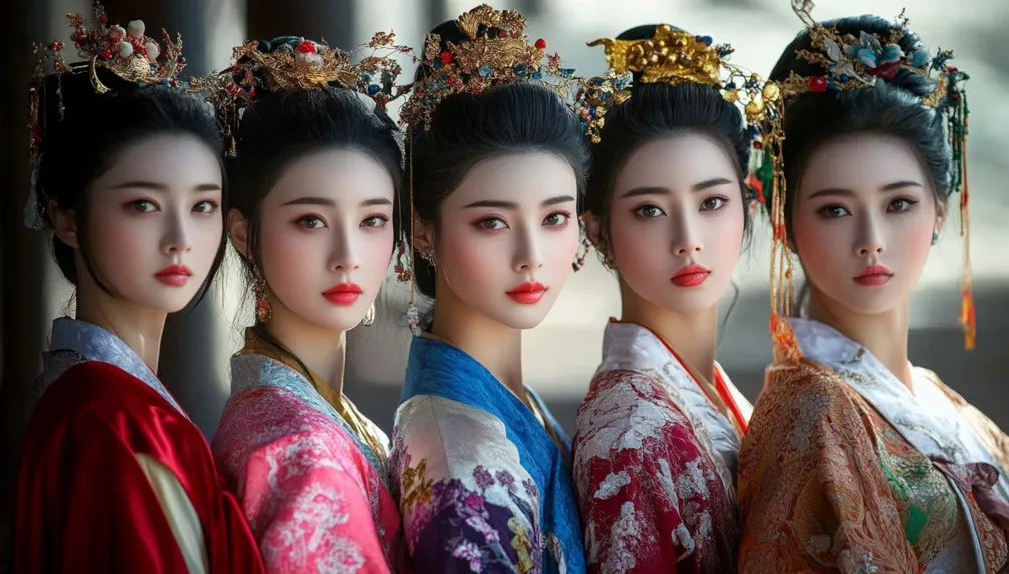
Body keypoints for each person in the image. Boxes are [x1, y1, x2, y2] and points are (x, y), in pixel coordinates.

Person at [738, 3, 1009, 572]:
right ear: (786, 223)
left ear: (939, 210)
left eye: (899, 204)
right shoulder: (813, 411)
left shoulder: (944, 404)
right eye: (835, 210)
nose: (871, 240)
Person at [3, 5, 264, 572]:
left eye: (203, 206)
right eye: (143, 205)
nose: (180, 240)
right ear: (67, 218)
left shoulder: (97, 402)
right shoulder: (108, 420)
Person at [387, 5, 589, 573]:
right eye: (492, 222)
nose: (531, 255)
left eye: (554, 218)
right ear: (422, 228)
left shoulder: (502, 402)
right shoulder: (461, 459)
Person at [203, 35, 410, 572]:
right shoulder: (298, 449)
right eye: (311, 221)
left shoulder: (305, 416)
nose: (348, 257)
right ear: (243, 234)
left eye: (372, 220)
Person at [571, 24, 757, 573]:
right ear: (597, 230)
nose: (688, 239)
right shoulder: (628, 437)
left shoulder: (709, 395)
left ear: (747, 203)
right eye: (649, 210)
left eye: (712, 202)